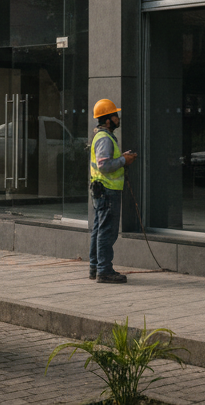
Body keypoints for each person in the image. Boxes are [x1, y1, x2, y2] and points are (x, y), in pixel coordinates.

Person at [89, 98, 137, 283]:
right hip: (108, 192)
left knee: (99, 230)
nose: (118, 119)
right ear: (107, 120)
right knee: (107, 232)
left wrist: (123, 158)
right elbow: (104, 166)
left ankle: (96, 267)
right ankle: (104, 270)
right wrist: (125, 160)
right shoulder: (104, 139)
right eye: (115, 116)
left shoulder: (103, 137)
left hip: (102, 191)